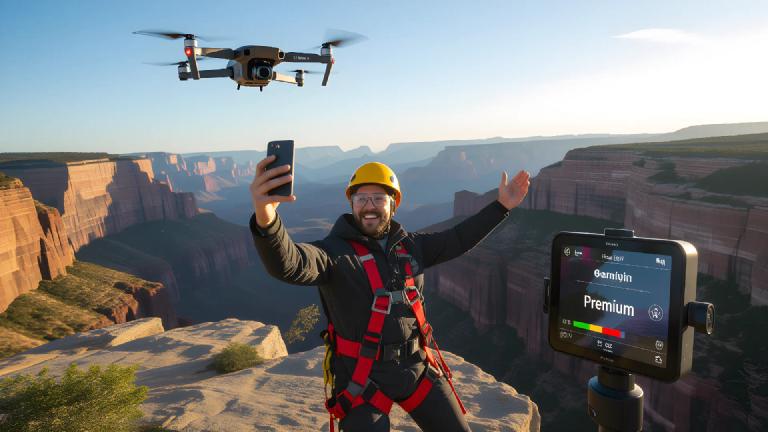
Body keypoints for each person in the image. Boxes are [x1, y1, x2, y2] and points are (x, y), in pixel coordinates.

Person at [249, 158, 530, 432]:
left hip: (415, 368)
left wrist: (501, 206)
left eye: (378, 199)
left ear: (393, 204)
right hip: (361, 379)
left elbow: (457, 239)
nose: (369, 207)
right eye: (361, 199)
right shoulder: (333, 254)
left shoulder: (411, 246)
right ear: (352, 204)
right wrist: (266, 217)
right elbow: (291, 263)